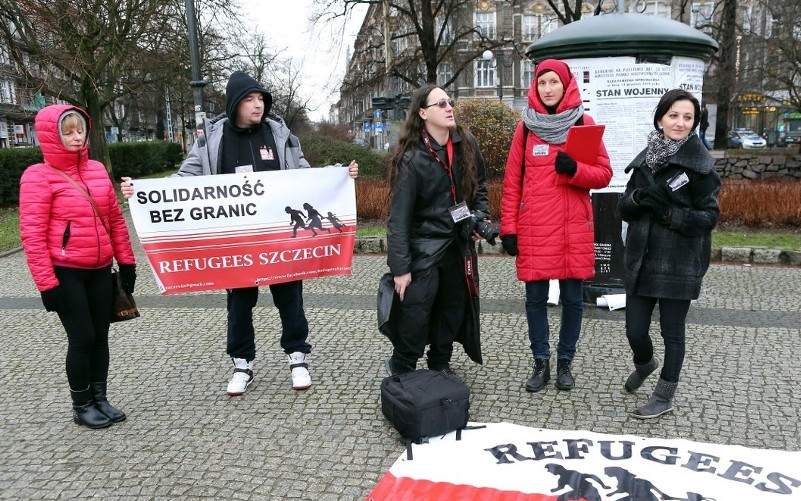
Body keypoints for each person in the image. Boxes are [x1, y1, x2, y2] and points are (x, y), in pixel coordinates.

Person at [121, 71, 358, 395]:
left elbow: (304, 174)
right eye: (250, 99)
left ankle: (297, 356)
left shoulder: (279, 134)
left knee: (290, 299)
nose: (258, 105)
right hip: (235, 241)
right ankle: (242, 363)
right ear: (235, 103)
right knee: (239, 305)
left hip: (277, 237)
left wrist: (339, 175)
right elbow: (185, 177)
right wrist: (145, 191)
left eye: (261, 99)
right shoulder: (210, 140)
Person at [20, 105, 137, 429]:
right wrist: (47, 284)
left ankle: (100, 398)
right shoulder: (37, 177)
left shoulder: (98, 169)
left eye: (80, 130)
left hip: (100, 268)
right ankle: (81, 404)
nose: (76, 136)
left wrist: (126, 262)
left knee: (100, 336)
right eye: (67, 131)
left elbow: (114, 219)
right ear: (51, 136)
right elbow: (32, 234)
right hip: (65, 271)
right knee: (82, 337)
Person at [500, 59, 613, 393]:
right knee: (535, 300)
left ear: (566, 85)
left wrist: (575, 169)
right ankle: (541, 363)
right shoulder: (525, 128)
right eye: (542, 83)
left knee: (573, 300)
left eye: (554, 82)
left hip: (570, 228)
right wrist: (509, 228)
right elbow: (512, 183)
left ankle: (565, 364)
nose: (548, 89)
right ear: (535, 88)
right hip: (534, 228)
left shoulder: (583, 123)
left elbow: (604, 174)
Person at [617, 88, 720, 419]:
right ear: (660, 118)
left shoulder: (701, 168)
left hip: (679, 263)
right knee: (635, 329)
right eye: (673, 115)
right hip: (642, 260)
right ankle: (646, 363)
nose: (679, 122)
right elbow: (623, 206)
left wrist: (670, 214)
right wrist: (637, 201)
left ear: (694, 123)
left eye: (687, 117)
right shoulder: (645, 160)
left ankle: (664, 395)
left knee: (672, 333)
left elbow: (709, 218)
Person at [381, 84, 490, 376]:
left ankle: (440, 364)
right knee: (416, 313)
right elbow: (399, 218)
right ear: (423, 113)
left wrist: (480, 216)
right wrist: (400, 267)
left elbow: (479, 185)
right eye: (440, 104)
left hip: (457, 244)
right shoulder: (412, 156)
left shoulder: (465, 141)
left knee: (452, 309)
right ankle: (403, 367)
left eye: (449, 101)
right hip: (425, 248)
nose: (449, 107)